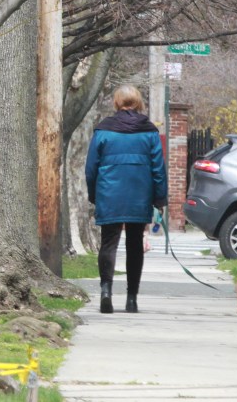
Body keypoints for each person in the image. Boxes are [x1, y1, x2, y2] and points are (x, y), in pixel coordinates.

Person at [85, 85, 168, 314]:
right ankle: (132, 299)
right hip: (139, 194)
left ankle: (106, 292)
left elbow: (91, 168)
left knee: (108, 243)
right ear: (138, 102)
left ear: (116, 103)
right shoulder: (149, 131)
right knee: (134, 245)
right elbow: (158, 168)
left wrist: (94, 194)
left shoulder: (103, 131)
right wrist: (160, 198)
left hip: (109, 193)